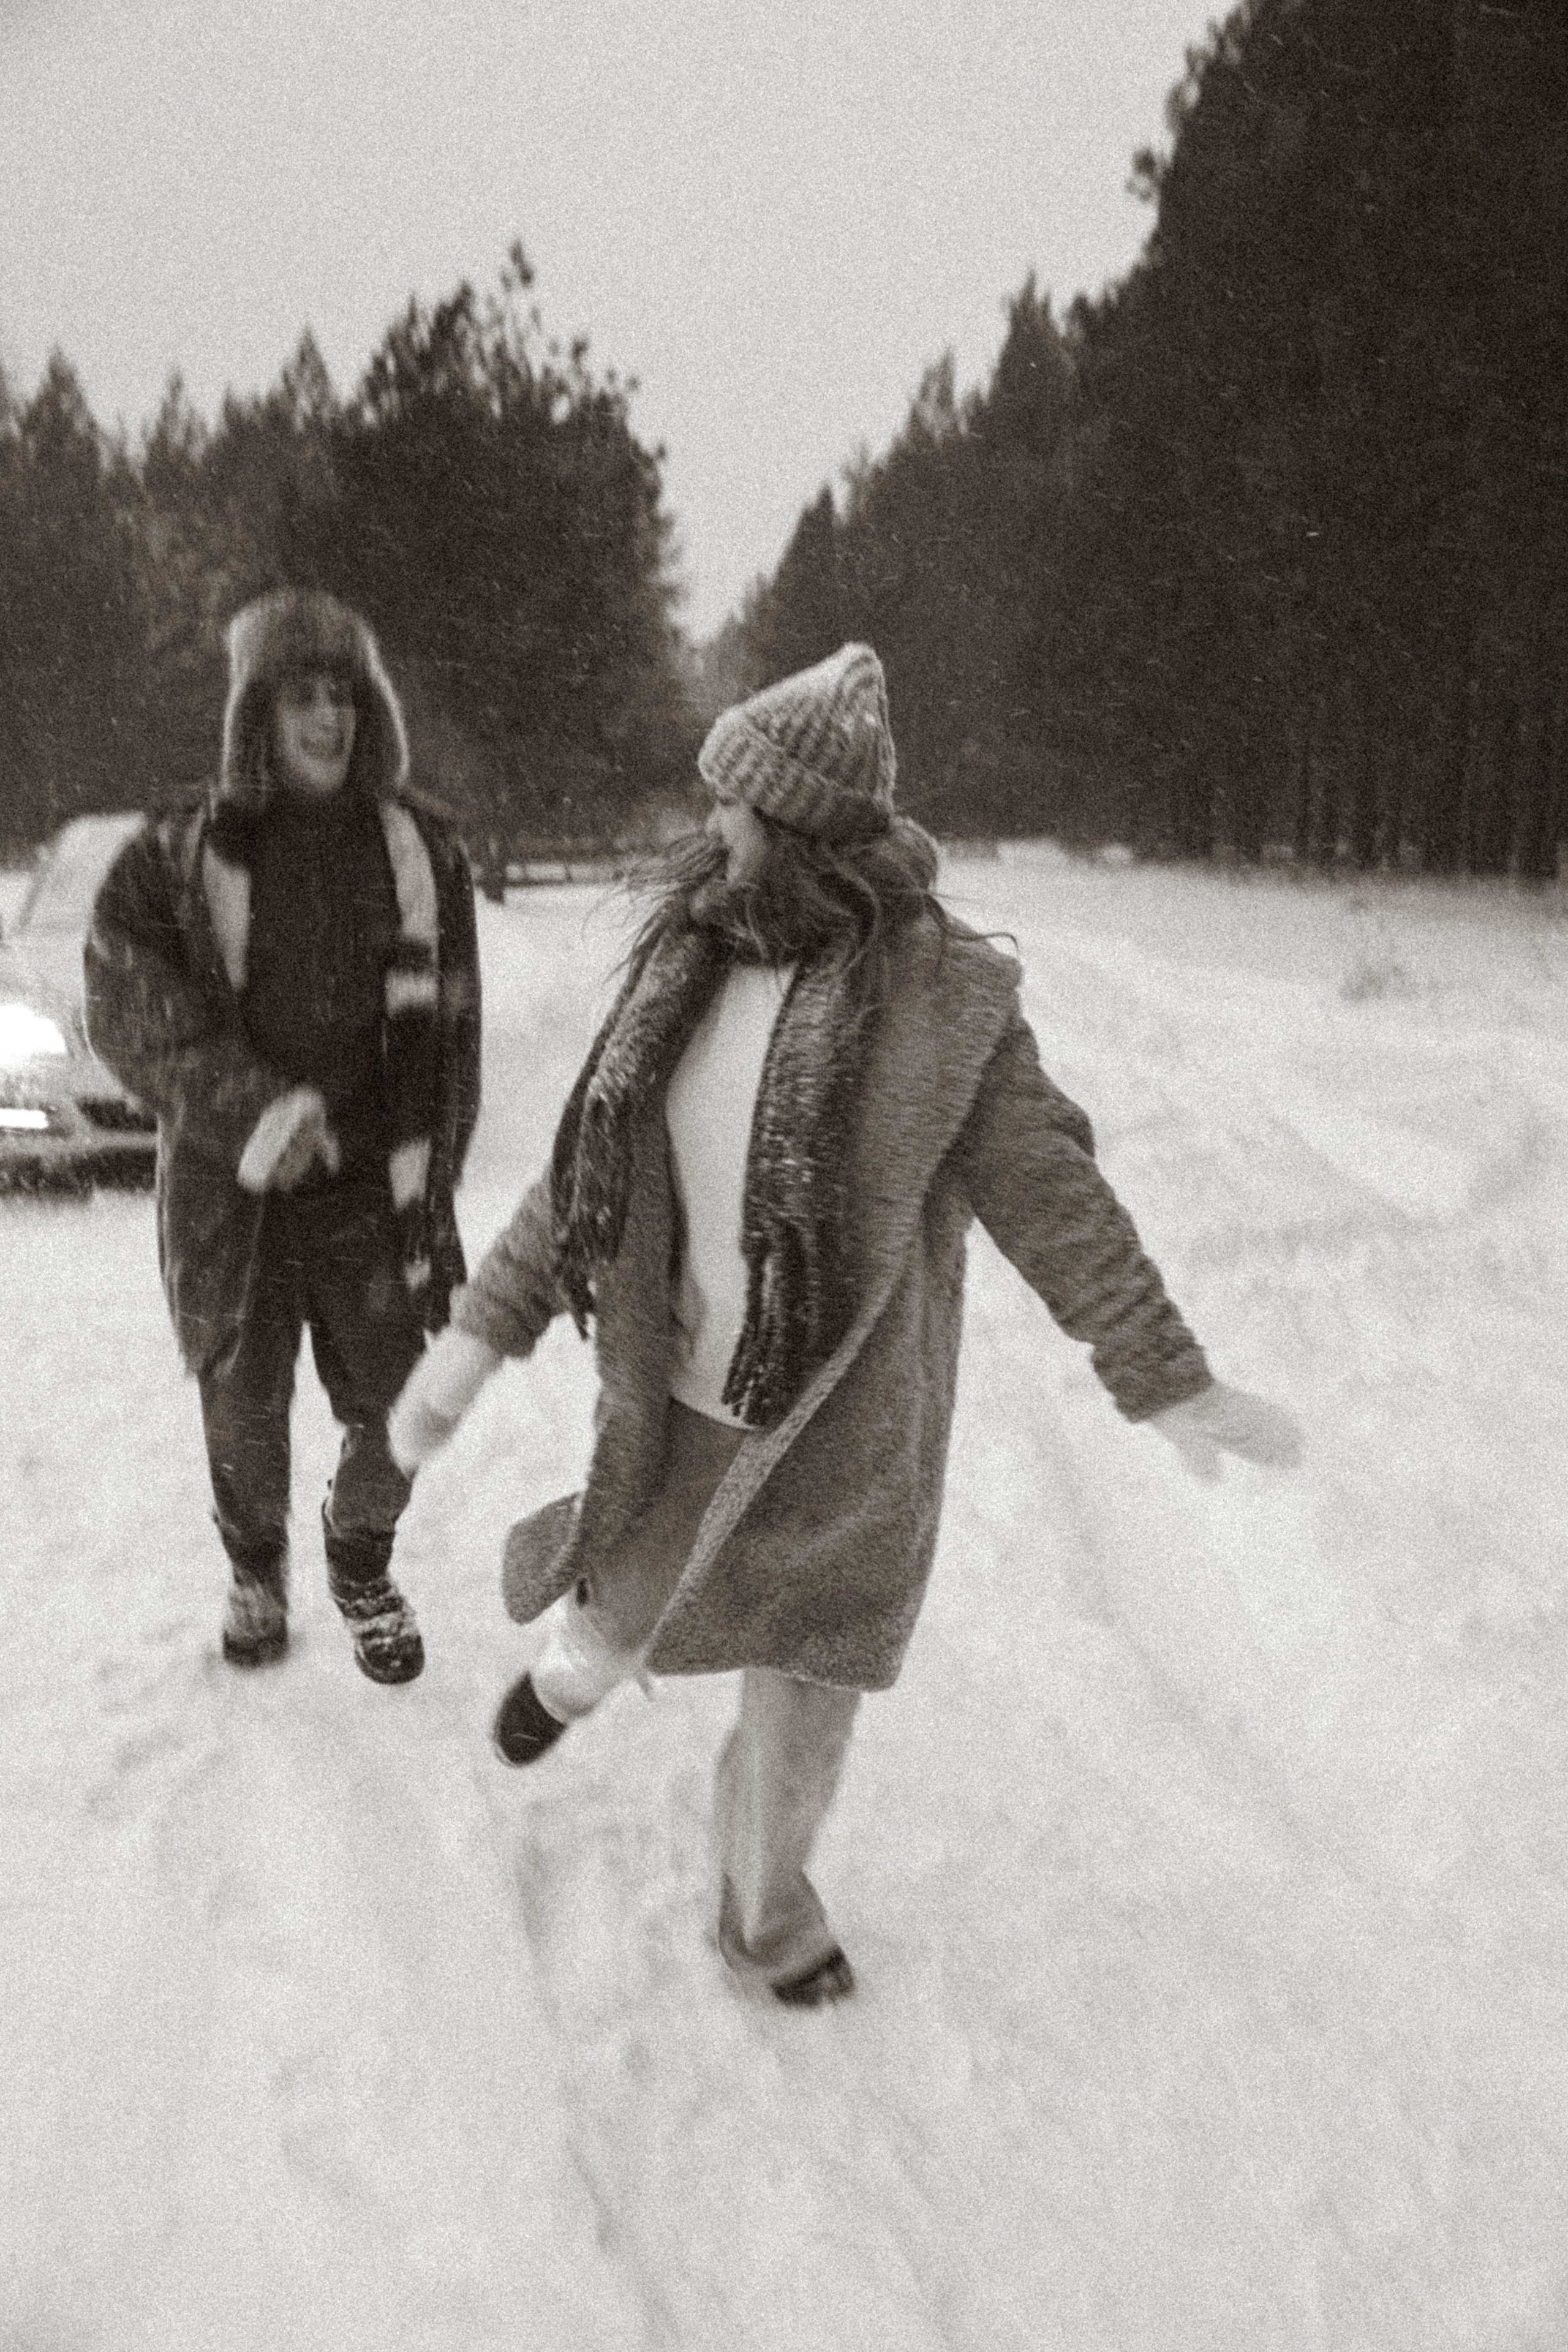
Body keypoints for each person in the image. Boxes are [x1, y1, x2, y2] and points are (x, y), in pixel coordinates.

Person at [388, 643, 1298, 2003]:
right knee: (629, 1600)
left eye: (731, 805)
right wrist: (472, 1343)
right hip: (681, 1398)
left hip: (840, 1435)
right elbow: (579, 1181)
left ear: (792, 822)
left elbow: (1054, 1197)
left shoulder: (940, 1004)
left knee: (802, 1715)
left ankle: (764, 1916)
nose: (708, 828)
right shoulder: (678, 970)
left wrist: (1160, 1373)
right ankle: (573, 1676)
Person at [85, 588, 481, 1683]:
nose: (327, 720)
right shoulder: (175, 856)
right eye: (301, 697)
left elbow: (452, 1037)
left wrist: (428, 1171)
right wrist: (258, 1114)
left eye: (343, 696)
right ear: (256, 714)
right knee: (242, 1409)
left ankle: (361, 1557)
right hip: (234, 1191)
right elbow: (123, 1007)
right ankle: (256, 1571)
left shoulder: (418, 851)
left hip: (371, 1188)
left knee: (405, 1403)